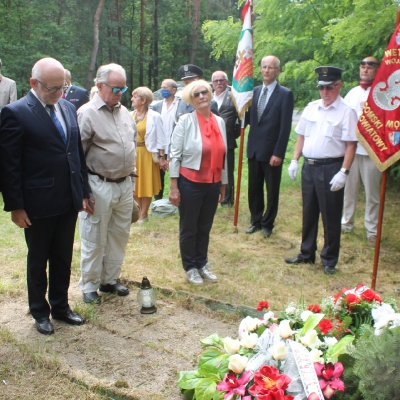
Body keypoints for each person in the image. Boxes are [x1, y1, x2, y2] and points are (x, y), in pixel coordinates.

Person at [0, 57, 90, 335]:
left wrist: (83, 191)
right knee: (38, 259)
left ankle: (61, 306)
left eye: (62, 87)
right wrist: (16, 206)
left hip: (67, 199)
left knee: (63, 256)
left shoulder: (66, 106)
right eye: (52, 88)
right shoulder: (15, 113)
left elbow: (75, 152)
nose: (58, 94)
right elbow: (9, 165)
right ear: (33, 83)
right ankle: (40, 311)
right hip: (37, 202)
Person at [285, 66, 358, 275]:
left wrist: (344, 172)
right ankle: (306, 253)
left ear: (339, 85)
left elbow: (351, 145)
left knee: (330, 215)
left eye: (329, 88)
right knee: (308, 212)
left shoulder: (346, 112)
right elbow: (302, 136)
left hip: (331, 166)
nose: (325, 92)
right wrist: (294, 160)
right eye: (321, 87)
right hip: (310, 166)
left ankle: (329, 259)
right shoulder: (312, 108)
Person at [77, 63, 137, 304]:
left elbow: (130, 142)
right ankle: (89, 284)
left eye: (124, 88)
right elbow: (77, 156)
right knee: (94, 237)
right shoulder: (87, 113)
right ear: (99, 86)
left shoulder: (124, 112)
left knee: (119, 235)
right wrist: (83, 191)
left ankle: (109, 280)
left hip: (124, 183)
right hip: (98, 183)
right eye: (115, 88)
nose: (120, 93)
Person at [169, 80, 227, 285]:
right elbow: (174, 156)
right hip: (190, 182)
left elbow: (223, 156)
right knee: (189, 227)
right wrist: (174, 187)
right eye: (196, 94)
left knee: (205, 226)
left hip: (212, 182)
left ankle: (202, 263)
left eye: (205, 92)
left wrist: (223, 184)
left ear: (210, 94)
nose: (202, 96)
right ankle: (190, 267)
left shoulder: (219, 122)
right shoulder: (185, 121)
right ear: (191, 100)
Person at [245, 55, 294, 238]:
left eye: (271, 67)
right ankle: (255, 220)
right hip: (254, 150)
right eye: (264, 67)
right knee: (254, 188)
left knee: (271, 190)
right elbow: (249, 119)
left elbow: (285, 127)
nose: (266, 70)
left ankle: (267, 224)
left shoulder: (285, 94)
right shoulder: (253, 92)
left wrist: (278, 153)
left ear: (277, 71)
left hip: (272, 152)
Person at [341, 57, 382, 244]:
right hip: (352, 150)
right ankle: (346, 223)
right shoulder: (352, 93)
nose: (365, 70)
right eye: (363, 66)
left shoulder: (383, 93)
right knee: (349, 190)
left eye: (370, 66)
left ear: (377, 69)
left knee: (372, 194)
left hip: (373, 151)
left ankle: (371, 230)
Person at [131, 86, 167, 222]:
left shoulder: (154, 116)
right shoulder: (130, 115)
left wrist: (162, 157)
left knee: (145, 184)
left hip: (147, 153)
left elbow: (161, 139)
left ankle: (144, 214)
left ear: (143, 100)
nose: (131, 99)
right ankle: (139, 210)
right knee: (134, 184)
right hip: (133, 153)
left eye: (135, 97)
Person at [212, 70, 240, 207]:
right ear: (212, 83)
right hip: (209, 142)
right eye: (216, 81)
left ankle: (227, 200)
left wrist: (233, 134)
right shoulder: (207, 98)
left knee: (227, 171)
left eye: (221, 80)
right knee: (212, 169)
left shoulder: (233, 97)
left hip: (227, 141)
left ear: (227, 82)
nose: (219, 83)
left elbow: (242, 119)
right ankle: (213, 197)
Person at [151, 78, 180, 200]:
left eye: (165, 88)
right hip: (160, 146)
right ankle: (158, 201)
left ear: (173, 90)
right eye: (161, 87)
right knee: (158, 176)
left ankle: (176, 198)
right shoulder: (156, 106)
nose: (162, 90)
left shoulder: (181, 104)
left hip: (175, 145)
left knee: (177, 174)